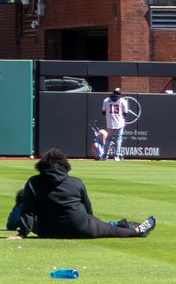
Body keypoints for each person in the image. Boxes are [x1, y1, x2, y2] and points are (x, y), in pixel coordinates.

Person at [13, 148, 155, 240]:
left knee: (104, 226)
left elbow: (28, 212)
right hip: (79, 228)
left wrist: (22, 234)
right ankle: (136, 231)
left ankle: (122, 224)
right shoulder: (76, 182)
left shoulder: (33, 182)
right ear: (65, 167)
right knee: (109, 230)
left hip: (47, 231)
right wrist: (93, 222)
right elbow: (88, 210)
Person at [102, 86, 131, 159]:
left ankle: (105, 155)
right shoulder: (123, 101)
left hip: (110, 123)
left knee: (108, 139)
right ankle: (116, 156)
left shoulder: (106, 100)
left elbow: (103, 112)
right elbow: (125, 113)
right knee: (118, 140)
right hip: (119, 123)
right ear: (120, 94)